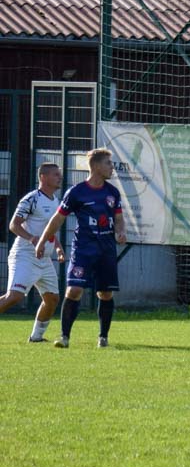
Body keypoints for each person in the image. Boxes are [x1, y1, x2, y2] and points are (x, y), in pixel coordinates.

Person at [34, 148, 124, 348]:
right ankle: (64, 337)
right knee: (74, 290)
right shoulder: (76, 192)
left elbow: (118, 218)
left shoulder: (113, 192)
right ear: (97, 166)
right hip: (83, 249)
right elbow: (57, 219)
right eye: (108, 163)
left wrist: (120, 231)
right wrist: (42, 241)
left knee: (105, 293)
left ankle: (103, 338)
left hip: (106, 249)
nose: (112, 168)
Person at [3, 163, 64, 343]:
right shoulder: (31, 199)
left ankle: (36, 337)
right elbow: (13, 225)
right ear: (43, 177)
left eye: (59, 174)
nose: (60, 177)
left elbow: (49, 230)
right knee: (14, 297)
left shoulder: (56, 201)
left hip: (44, 259)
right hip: (25, 255)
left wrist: (58, 247)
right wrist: (32, 239)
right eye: (55, 174)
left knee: (52, 299)